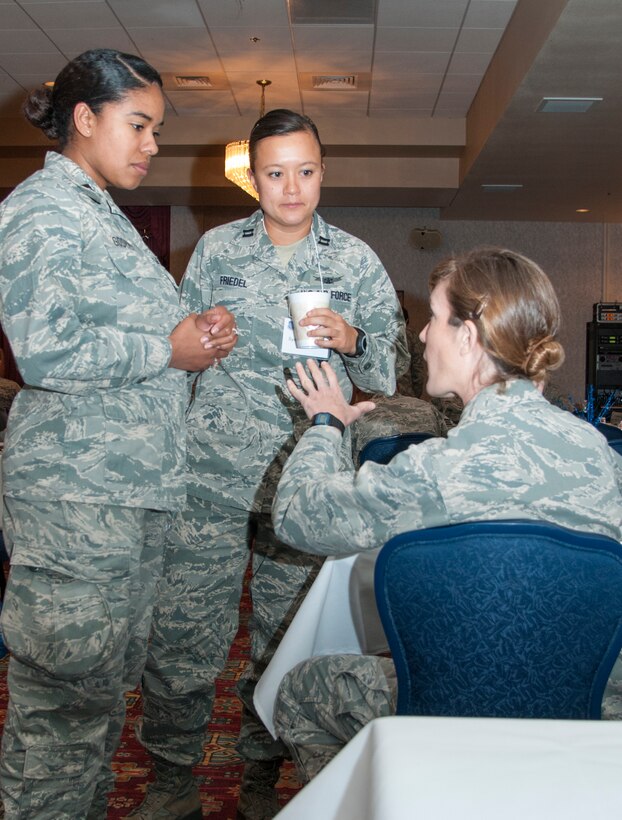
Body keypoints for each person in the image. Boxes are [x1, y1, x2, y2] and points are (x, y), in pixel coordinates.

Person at [132, 108, 409, 819]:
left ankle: (263, 777)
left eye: (306, 171)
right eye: (275, 173)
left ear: (323, 172)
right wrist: (200, 336)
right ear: (252, 178)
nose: (292, 188)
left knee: (287, 640)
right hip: (213, 475)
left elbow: (395, 367)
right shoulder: (217, 251)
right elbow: (178, 352)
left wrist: (354, 337)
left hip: (306, 481)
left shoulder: (355, 261)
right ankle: (171, 778)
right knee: (186, 634)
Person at [269, 247, 622, 782]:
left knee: (297, 692)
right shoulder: (600, 454)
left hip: (453, 708)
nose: (424, 336)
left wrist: (325, 423)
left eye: (433, 319)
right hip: (592, 709)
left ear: (467, 336)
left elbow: (296, 515)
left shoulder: (435, 470)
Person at [0, 48, 236, 819]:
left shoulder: (102, 215)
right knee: (60, 714)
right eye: (139, 125)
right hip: (76, 503)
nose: (152, 145)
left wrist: (192, 338)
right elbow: (46, 349)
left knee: (98, 700)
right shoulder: (43, 209)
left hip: (125, 498)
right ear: (85, 118)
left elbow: (134, 349)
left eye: (156, 129)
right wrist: (167, 347)